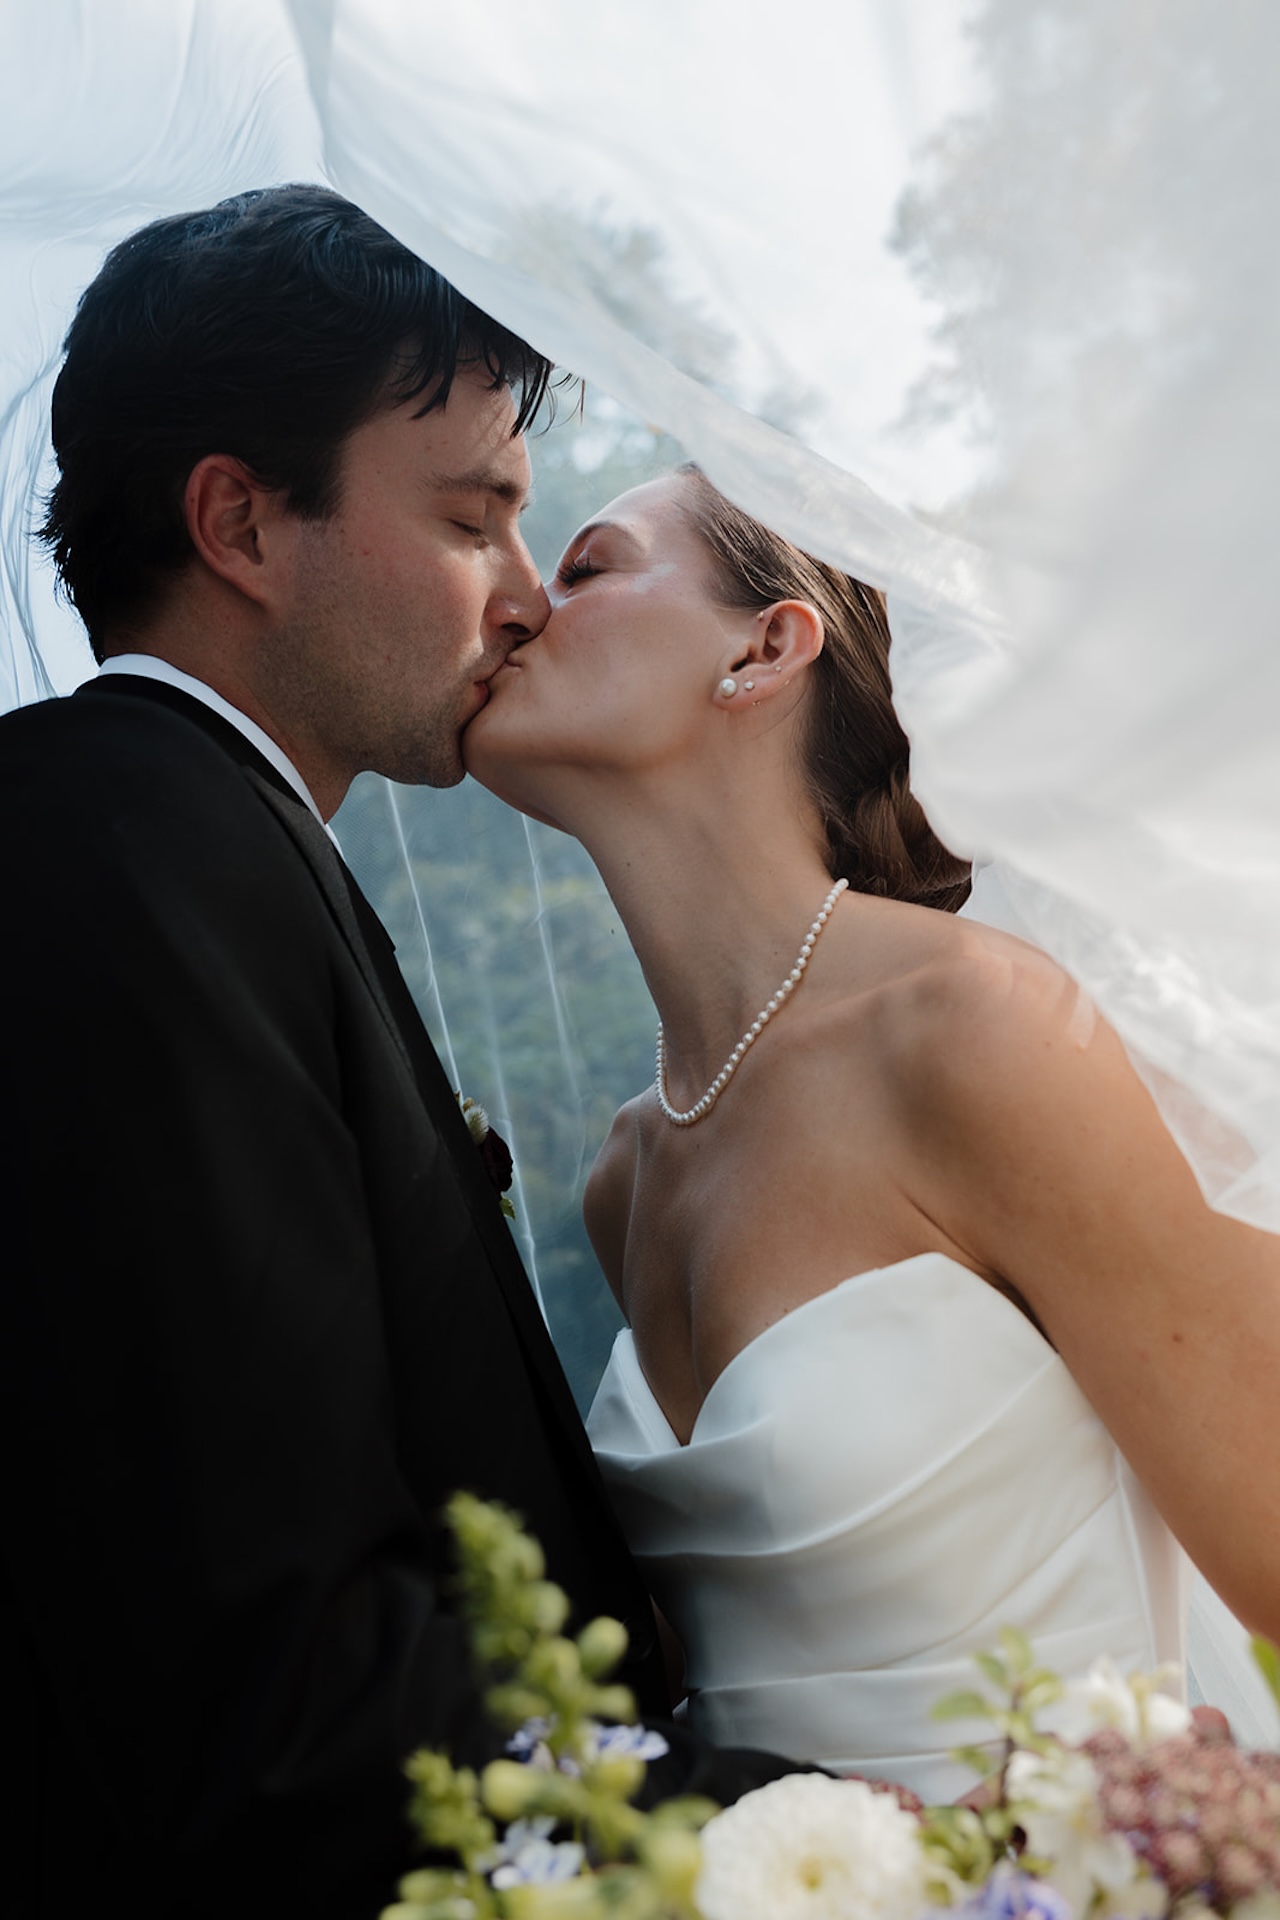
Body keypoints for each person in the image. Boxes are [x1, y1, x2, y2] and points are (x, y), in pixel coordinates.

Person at [0, 189, 797, 1920]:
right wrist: (864, 1850)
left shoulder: (214, 847)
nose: (523, 597)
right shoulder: (116, 855)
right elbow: (276, 1669)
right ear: (241, 523)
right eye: (470, 520)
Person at [464, 462, 1280, 1800]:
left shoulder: (978, 1030)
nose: (517, 606)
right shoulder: (628, 1174)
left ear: (763, 646)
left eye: (588, 567)